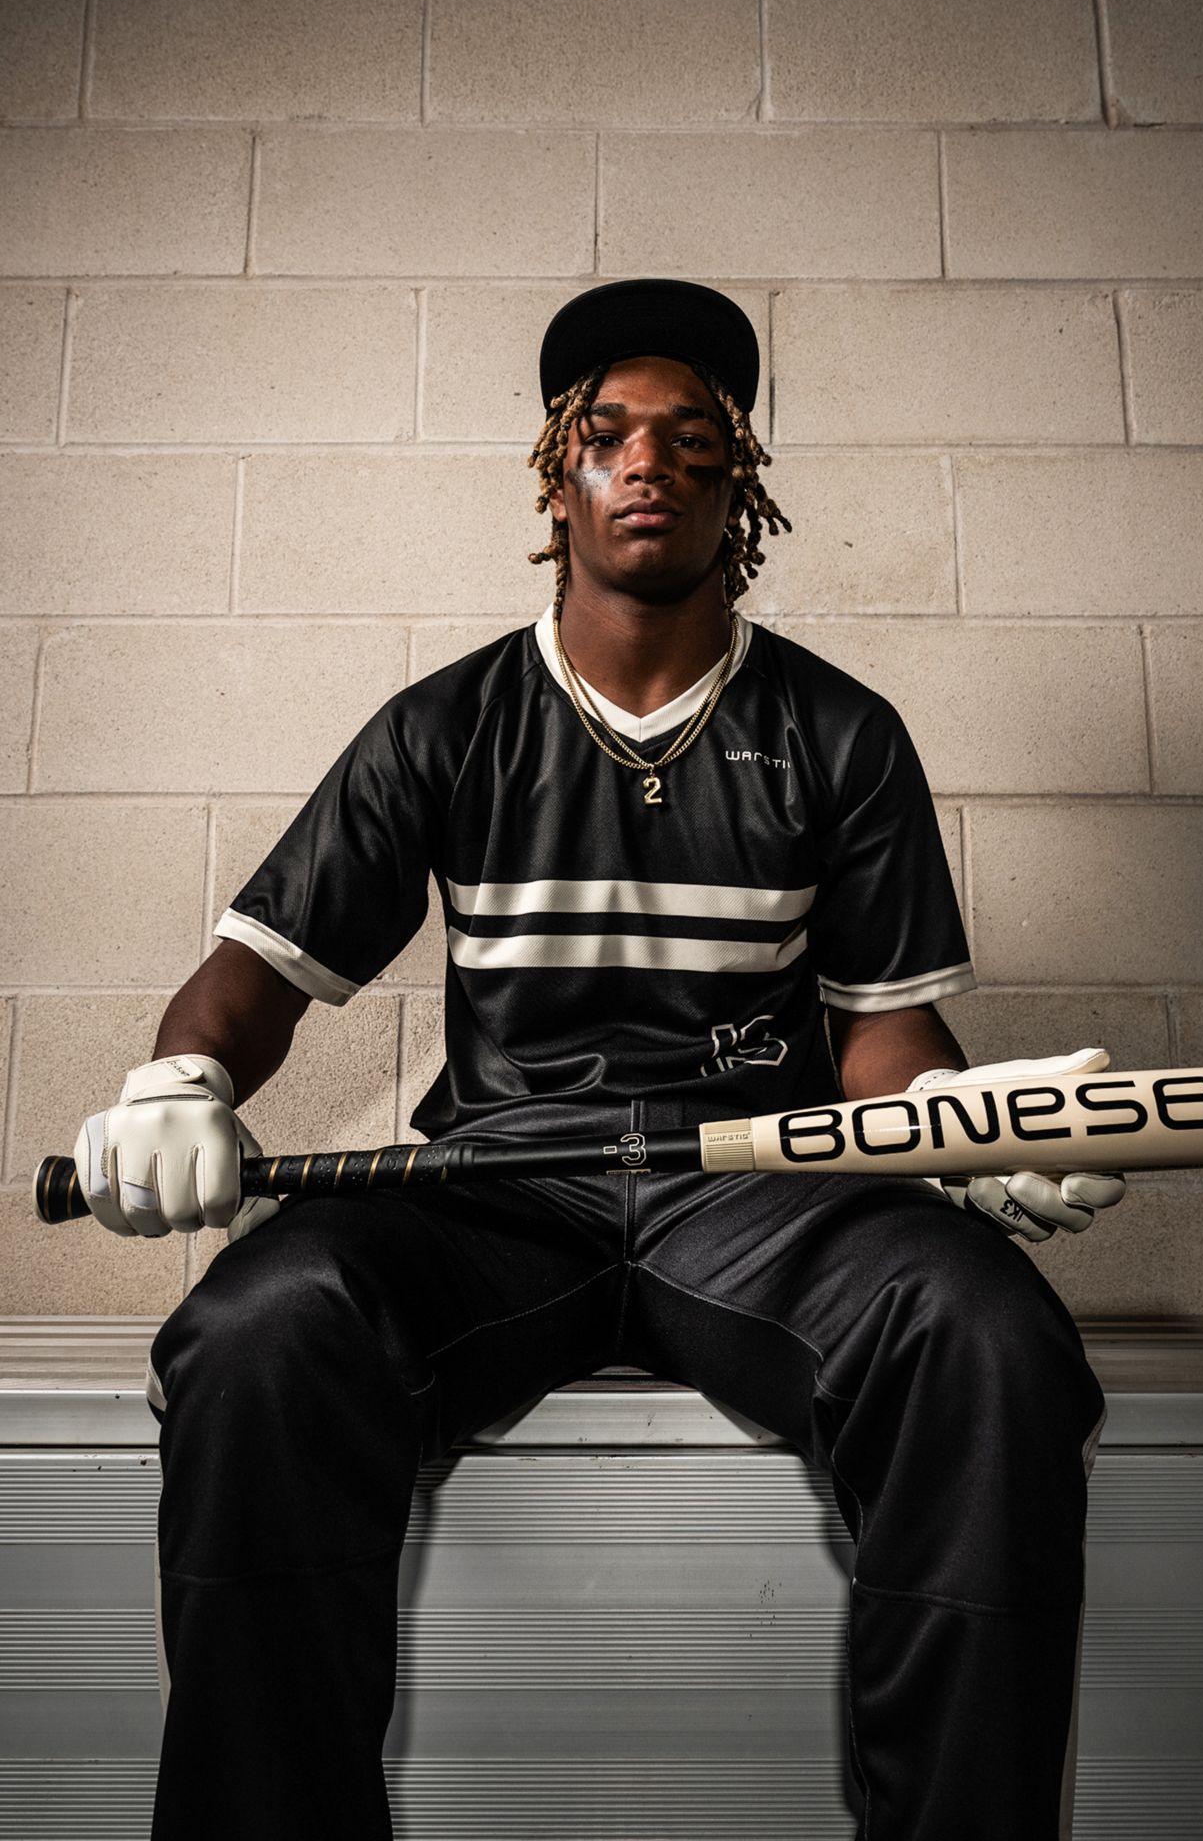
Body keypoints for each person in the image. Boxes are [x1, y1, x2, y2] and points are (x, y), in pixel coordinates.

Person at [74, 279, 1123, 1841]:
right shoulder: (446, 725)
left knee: (986, 1335)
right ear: (554, 473)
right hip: (503, 1189)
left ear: (738, 480)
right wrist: (180, 1082)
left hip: (760, 1194)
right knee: (260, 1326)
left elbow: (884, 1040)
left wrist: (964, 1122)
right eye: (610, 434)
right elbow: (258, 974)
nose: (649, 462)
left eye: (692, 439)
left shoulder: (838, 733)